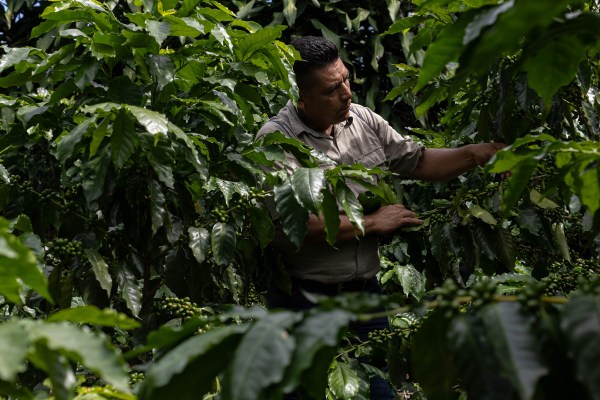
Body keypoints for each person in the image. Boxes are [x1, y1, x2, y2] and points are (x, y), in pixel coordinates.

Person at [256, 36, 505, 399]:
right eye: (331, 89)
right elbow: (296, 227)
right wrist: (371, 223)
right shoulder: (276, 141)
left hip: (364, 297)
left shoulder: (362, 120)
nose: (346, 94)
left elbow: (416, 161)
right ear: (301, 96)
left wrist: (475, 154)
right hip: (302, 302)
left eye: (346, 79)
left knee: (378, 391)